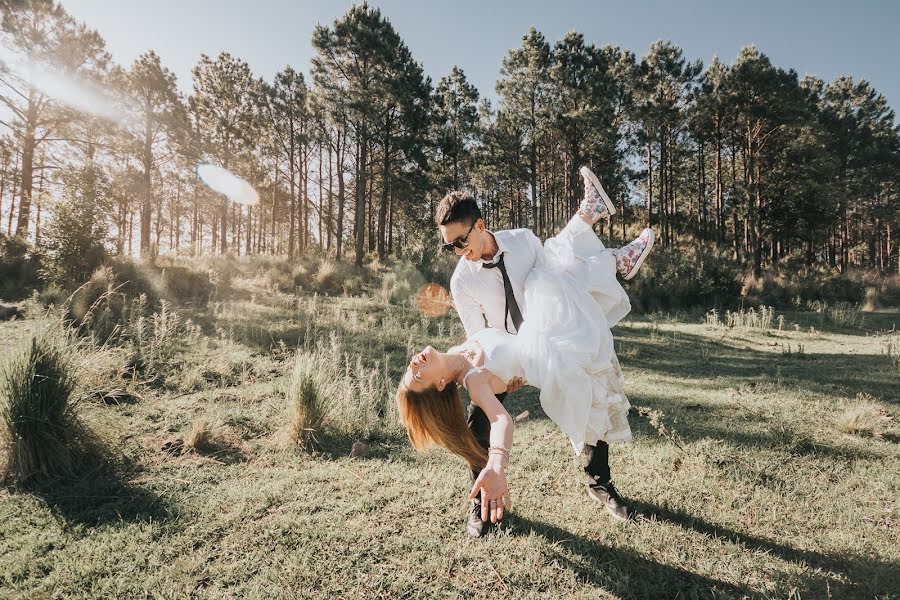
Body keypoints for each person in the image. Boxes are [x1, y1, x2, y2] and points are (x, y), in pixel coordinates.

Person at [396, 167, 655, 537]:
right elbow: (479, 334)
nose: (457, 251)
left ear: (480, 225)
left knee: (553, 275)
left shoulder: (523, 241)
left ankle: (599, 482)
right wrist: (501, 375)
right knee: (478, 420)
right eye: (448, 246)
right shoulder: (461, 280)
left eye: (459, 241)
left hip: (546, 331)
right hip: (511, 351)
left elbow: (557, 275)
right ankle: (481, 496)